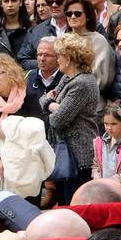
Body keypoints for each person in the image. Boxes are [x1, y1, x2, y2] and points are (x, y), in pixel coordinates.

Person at [43, 32, 103, 204]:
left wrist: (50, 105)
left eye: (59, 55)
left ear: (69, 58)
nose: (57, 59)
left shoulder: (82, 83)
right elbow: (44, 98)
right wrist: (52, 105)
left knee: (75, 204)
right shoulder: (68, 79)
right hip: (65, 154)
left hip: (78, 156)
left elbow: (57, 120)